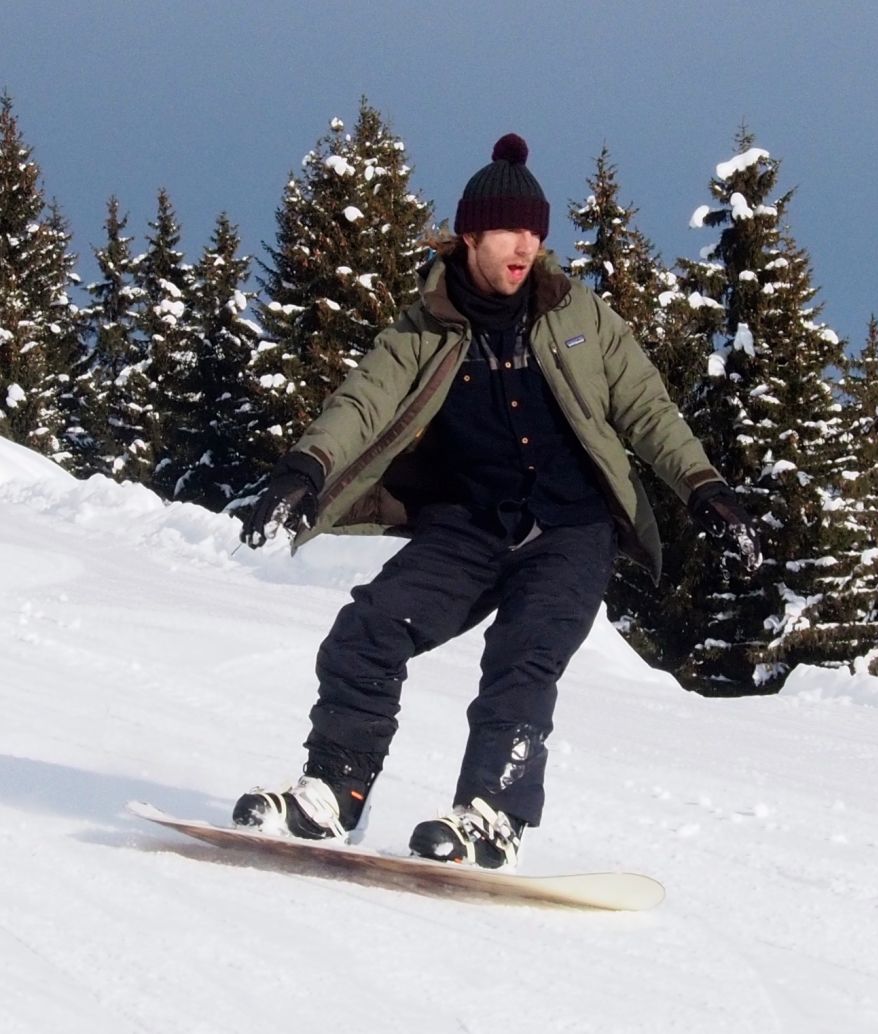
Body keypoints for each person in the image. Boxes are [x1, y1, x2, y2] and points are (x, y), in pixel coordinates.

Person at [234, 132, 760, 869]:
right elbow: (363, 403)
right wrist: (302, 471)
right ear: (471, 234)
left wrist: (707, 491)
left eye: (537, 232)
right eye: (511, 230)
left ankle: (493, 813)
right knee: (370, 628)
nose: (527, 246)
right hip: (469, 529)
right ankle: (332, 792)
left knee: (523, 659)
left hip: (572, 531)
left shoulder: (580, 315)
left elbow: (647, 408)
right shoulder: (425, 327)